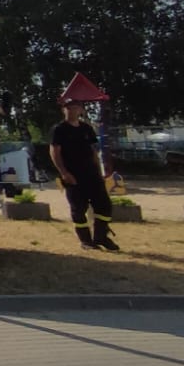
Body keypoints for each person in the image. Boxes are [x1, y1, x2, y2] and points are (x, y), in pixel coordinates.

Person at [51, 97, 119, 251]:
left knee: (104, 205)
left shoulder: (86, 128)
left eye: (75, 107)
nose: (72, 110)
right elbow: (54, 151)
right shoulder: (59, 129)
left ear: (80, 110)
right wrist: (64, 173)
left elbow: (93, 151)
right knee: (79, 208)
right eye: (69, 107)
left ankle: (101, 237)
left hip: (92, 174)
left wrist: (100, 171)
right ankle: (86, 241)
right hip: (73, 175)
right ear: (64, 110)